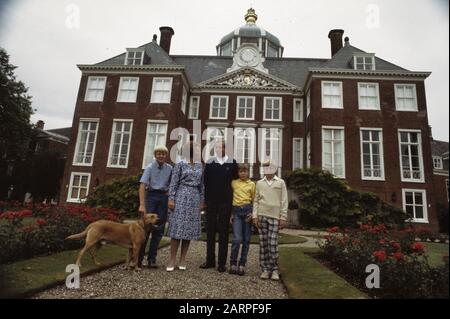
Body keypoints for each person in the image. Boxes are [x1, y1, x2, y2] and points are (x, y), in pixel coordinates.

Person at [166, 141, 205, 272]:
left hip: (195, 198)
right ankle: (172, 259)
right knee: (177, 229)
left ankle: (183, 259)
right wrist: (171, 199)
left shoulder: (200, 166)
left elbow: (202, 185)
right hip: (181, 197)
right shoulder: (180, 164)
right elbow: (173, 182)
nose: (200, 151)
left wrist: (202, 201)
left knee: (188, 231)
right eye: (198, 149)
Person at [201, 140, 238, 272]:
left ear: (226, 149)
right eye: (216, 147)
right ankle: (210, 260)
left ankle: (221, 263)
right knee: (210, 231)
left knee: (223, 232)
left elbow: (235, 183)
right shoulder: (210, 162)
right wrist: (204, 201)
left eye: (221, 147)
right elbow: (205, 182)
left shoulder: (232, 163)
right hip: (211, 202)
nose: (219, 149)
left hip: (226, 202)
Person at [252, 160, 288, 281]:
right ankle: (265, 269)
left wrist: (283, 217)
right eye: (266, 167)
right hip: (262, 215)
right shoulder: (259, 183)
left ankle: (274, 269)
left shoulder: (280, 182)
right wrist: (255, 216)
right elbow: (256, 200)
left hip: (275, 217)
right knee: (264, 244)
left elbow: (284, 200)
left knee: (272, 243)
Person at [138, 145, 172, 268]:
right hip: (151, 197)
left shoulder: (170, 168)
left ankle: (152, 259)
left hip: (163, 198)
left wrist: (169, 198)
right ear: (155, 155)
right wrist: (142, 204)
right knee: (144, 230)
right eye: (158, 153)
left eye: (163, 153)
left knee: (158, 230)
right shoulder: (149, 167)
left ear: (166, 155)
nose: (161, 155)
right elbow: (142, 186)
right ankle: (138, 259)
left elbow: (172, 185)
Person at [229, 164, 255, 276]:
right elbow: (230, 198)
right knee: (237, 239)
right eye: (240, 171)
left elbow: (255, 200)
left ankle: (242, 264)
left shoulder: (252, 184)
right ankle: (233, 263)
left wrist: (253, 214)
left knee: (246, 240)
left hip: (248, 212)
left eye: (245, 171)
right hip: (237, 212)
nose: (243, 173)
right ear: (238, 173)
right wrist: (231, 214)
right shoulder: (234, 183)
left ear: (248, 172)